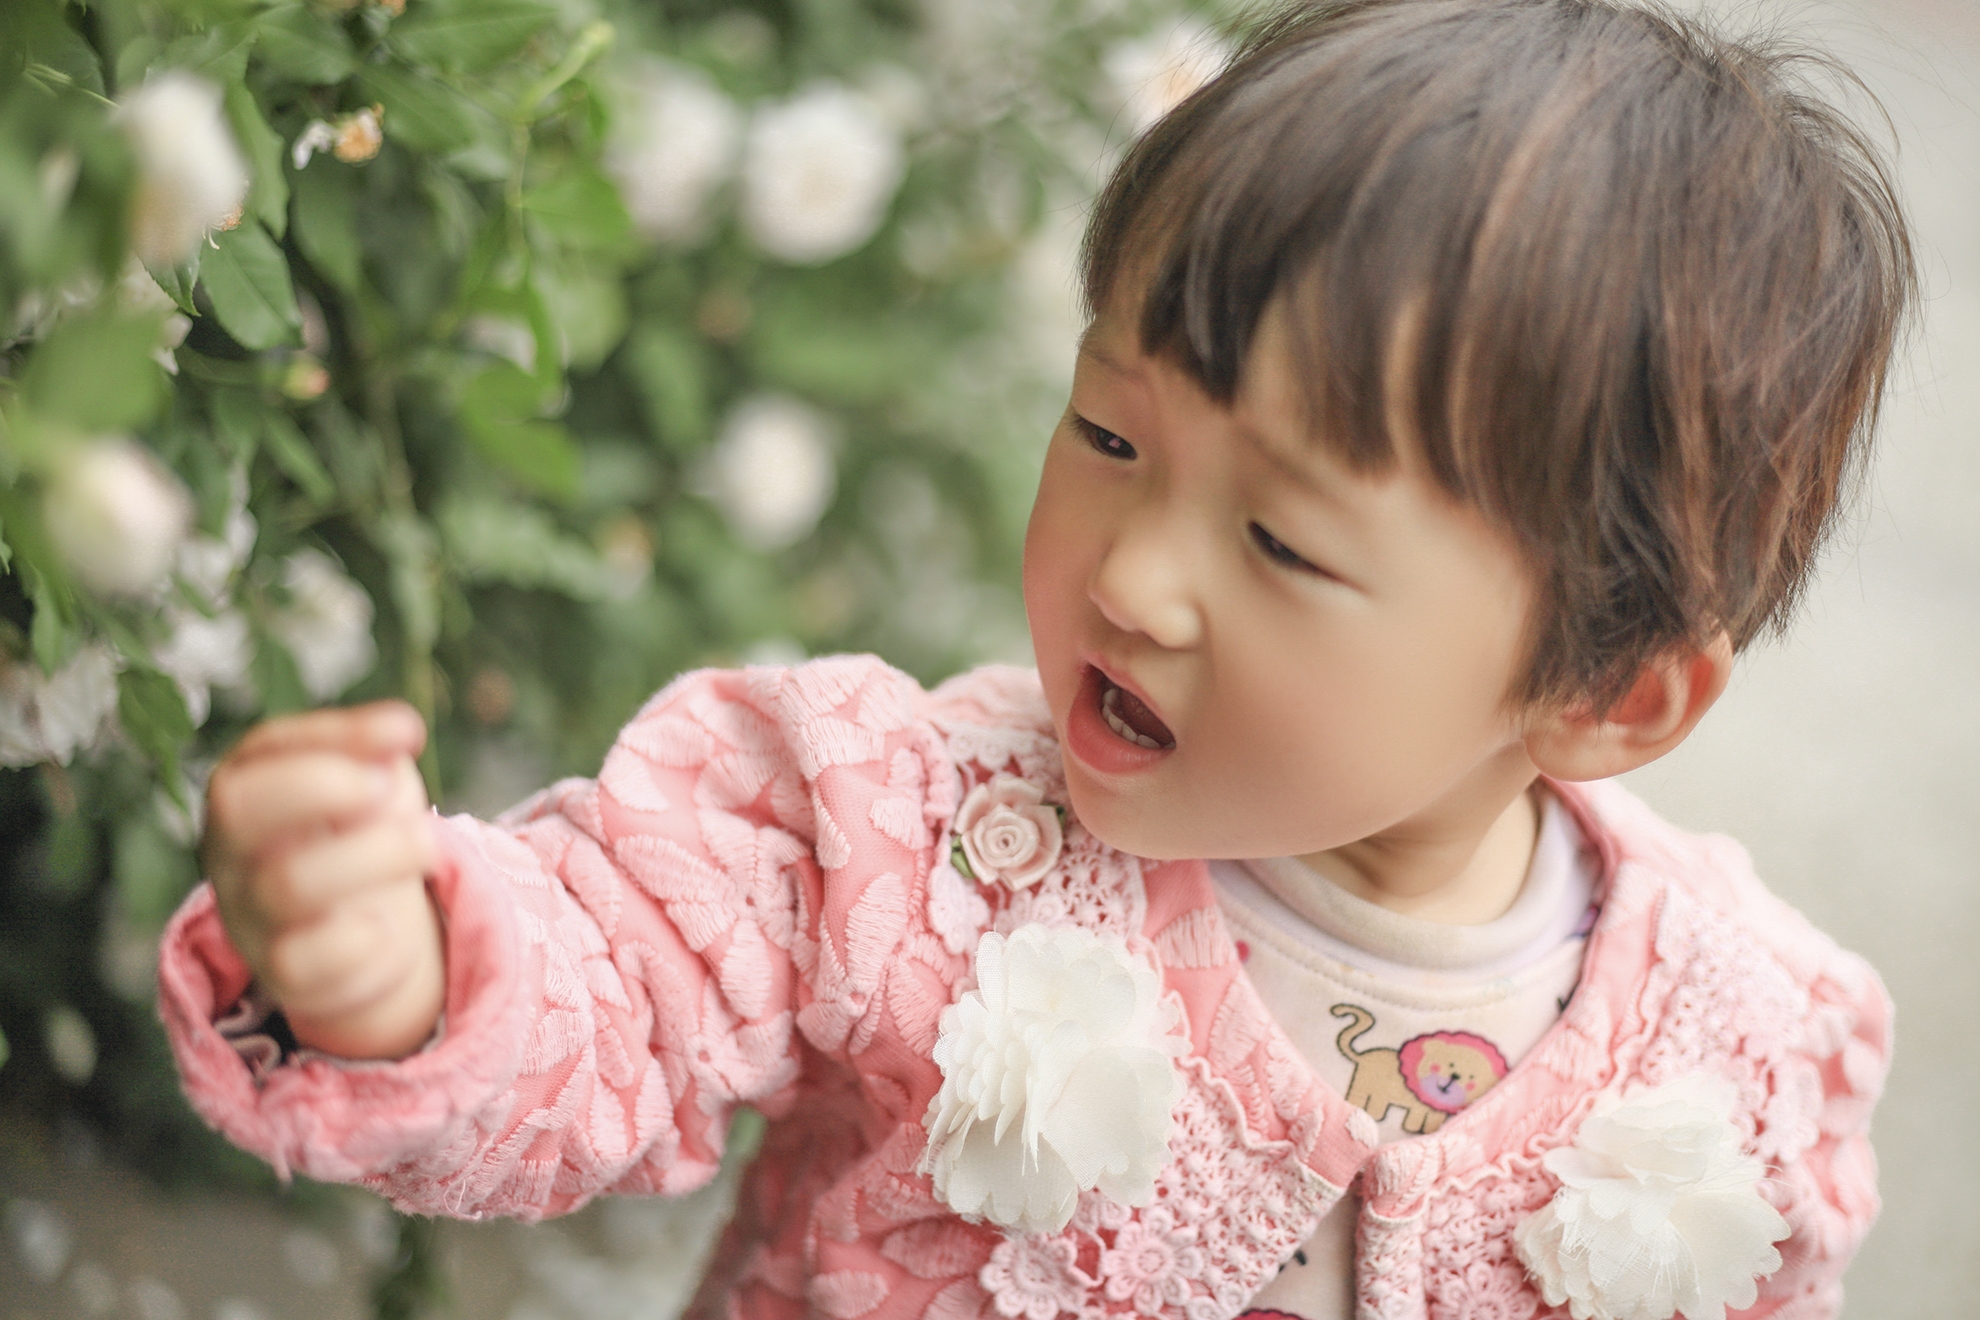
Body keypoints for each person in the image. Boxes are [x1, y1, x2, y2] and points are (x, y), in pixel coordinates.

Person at [157, 2, 1912, 1317]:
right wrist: (400, 965)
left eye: (1285, 541)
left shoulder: (1743, 1054)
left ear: (1608, 695)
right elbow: (623, 984)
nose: (1135, 576)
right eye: (1109, 433)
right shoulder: (900, 838)